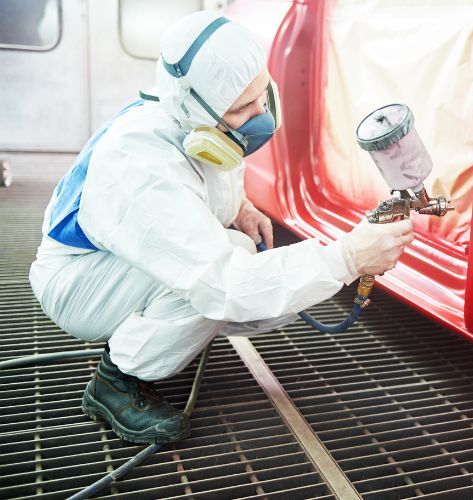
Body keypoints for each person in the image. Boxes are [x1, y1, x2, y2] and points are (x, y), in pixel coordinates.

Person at [28, 11, 414, 445]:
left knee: (246, 266)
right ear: (197, 110)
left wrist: (242, 205)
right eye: (242, 109)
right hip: (79, 284)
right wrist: (347, 258)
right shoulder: (139, 165)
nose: (260, 115)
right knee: (225, 274)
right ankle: (115, 382)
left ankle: (152, 336)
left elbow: (212, 174)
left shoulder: (195, 121)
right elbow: (224, 283)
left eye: (261, 96)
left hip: (116, 262)